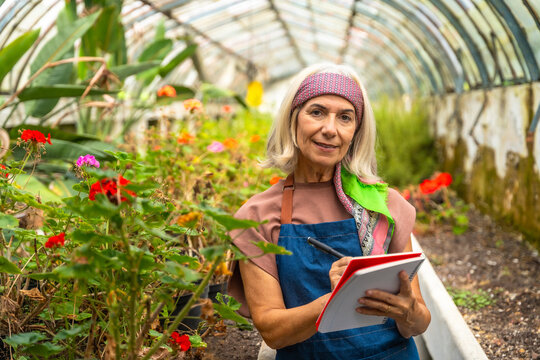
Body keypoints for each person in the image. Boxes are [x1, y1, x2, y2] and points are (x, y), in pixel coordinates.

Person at [228, 63, 431, 360]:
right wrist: (337, 300)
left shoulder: (381, 205)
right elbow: (272, 331)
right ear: (293, 120)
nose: (330, 129)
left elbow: (420, 322)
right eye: (317, 112)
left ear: (355, 132)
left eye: (345, 118)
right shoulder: (257, 216)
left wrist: (409, 311)